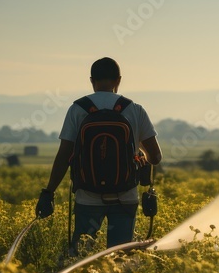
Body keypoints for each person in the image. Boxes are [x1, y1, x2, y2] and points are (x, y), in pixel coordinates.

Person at [36, 57, 162, 249]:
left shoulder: (78, 109)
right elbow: (156, 157)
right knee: (120, 256)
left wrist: (49, 192)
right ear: (118, 80)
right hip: (125, 195)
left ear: (91, 80)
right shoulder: (135, 109)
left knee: (81, 257)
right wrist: (142, 157)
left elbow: (64, 156)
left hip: (88, 195)